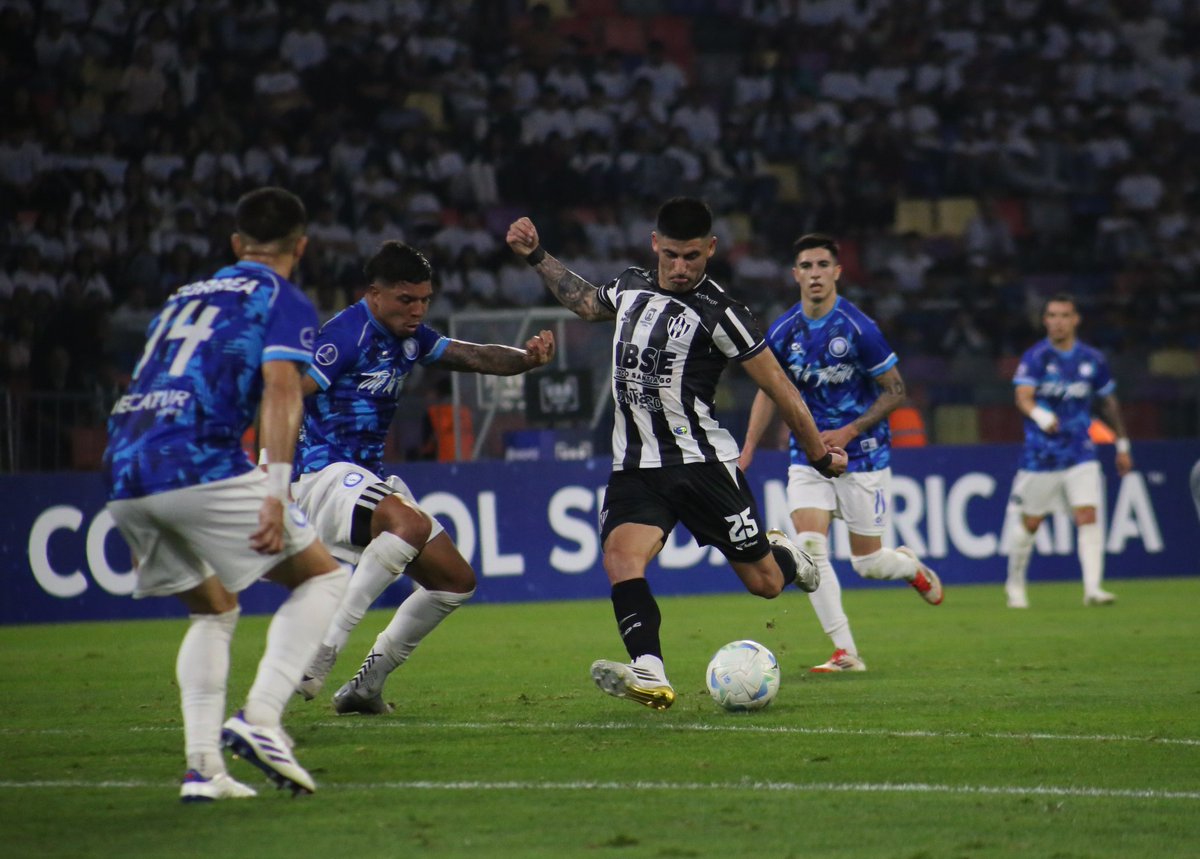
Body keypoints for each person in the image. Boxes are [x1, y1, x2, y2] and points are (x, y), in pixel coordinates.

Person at [506, 197, 848, 711]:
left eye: (692, 256)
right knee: (621, 558)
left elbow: (781, 389)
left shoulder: (723, 313)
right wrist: (537, 255)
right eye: (671, 255)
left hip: (702, 466)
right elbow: (585, 302)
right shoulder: (630, 286)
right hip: (636, 466)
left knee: (766, 584)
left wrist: (819, 457)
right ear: (655, 245)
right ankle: (650, 671)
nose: (681, 267)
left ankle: (783, 553)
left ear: (710, 249)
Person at [102, 187, 349, 801]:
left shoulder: (181, 298)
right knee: (324, 580)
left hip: (127, 467)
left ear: (237, 244)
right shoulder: (280, 297)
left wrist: (139, 497)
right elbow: (282, 388)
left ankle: (204, 770)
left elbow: (145, 381)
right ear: (301, 247)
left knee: (213, 609)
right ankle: (261, 717)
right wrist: (276, 492)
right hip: (198, 459)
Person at [290, 240, 555, 715]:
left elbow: (474, 357)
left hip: (365, 479)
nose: (416, 310)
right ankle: (323, 647)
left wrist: (526, 359)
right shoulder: (345, 335)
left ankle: (365, 687)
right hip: (322, 474)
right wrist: (267, 468)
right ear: (375, 294)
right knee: (408, 524)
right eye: (405, 299)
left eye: (424, 300)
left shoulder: (410, 338)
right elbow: (288, 394)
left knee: (454, 581)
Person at [739, 234, 943, 675]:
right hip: (808, 455)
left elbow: (896, 390)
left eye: (822, 265)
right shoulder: (783, 331)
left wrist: (850, 431)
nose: (814, 274)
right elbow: (769, 390)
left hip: (863, 456)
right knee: (811, 549)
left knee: (868, 563)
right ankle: (845, 652)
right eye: (806, 266)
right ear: (795, 274)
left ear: (837, 272)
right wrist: (749, 447)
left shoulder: (859, 328)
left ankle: (908, 566)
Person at [1005, 293, 1133, 608]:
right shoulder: (1036, 357)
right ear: (1045, 320)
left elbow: (1108, 403)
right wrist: (1039, 414)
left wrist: (1122, 444)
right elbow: (1023, 396)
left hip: (1081, 451)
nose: (1058, 321)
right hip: (1041, 455)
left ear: (1076, 320)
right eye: (1052, 315)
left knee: (1087, 514)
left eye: (1064, 315)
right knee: (1031, 523)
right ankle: (1015, 584)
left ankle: (1093, 588)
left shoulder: (1093, 359)